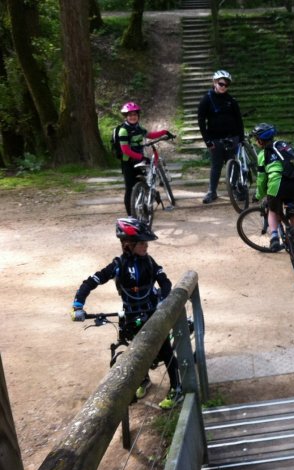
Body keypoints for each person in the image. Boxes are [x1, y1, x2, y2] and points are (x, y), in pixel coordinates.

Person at [71, 218, 183, 410]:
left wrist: (163, 299)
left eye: (146, 243)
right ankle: (144, 380)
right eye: (142, 243)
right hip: (131, 316)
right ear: (127, 245)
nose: (146, 246)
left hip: (153, 313)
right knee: (133, 349)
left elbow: (165, 281)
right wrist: (78, 305)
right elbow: (90, 281)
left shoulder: (149, 262)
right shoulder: (117, 265)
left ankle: (176, 388)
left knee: (165, 350)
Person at [117, 102, 175, 216]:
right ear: (126, 117)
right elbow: (125, 150)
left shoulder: (138, 128)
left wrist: (164, 132)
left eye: (135, 114)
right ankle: (130, 216)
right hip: (128, 162)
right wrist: (141, 157)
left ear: (138, 115)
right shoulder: (123, 130)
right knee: (129, 189)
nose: (132, 117)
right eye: (130, 115)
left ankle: (143, 209)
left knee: (140, 184)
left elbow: (150, 135)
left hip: (138, 160)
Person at [196, 70, 245, 204]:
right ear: (214, 83)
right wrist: (207, 140)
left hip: (232, 138)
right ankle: (212, 192)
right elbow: (201, 121)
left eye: (226, 84)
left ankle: (234, 188)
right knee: (216, 166)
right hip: (215, 139)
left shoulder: (231, 100)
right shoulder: (206, 99)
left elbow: (238, 119)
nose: (223, 86)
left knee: (233, 165)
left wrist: (241, 138)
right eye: (221, 83)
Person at [252, 123, 294, 252]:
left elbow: (261, 179)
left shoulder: (263, 154)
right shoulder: (283, 146)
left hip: (276, 186)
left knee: (273, 211)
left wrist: (258, 195)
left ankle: (274, 238)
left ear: (260, 141)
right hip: (293, 184)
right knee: (293, 214)